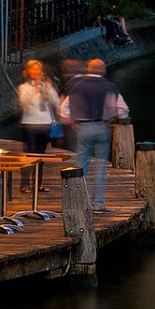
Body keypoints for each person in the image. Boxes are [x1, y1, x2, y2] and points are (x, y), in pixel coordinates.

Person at [61, 58, 129, 213]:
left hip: (83, 127)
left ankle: (80, 202)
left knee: (81, 165)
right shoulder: (109, 86)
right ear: (103, 70)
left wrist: (72, 121)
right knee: (101, 167)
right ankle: (98, 204)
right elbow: (123, 109)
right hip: (102, 127)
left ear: (88, 69)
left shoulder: (77, 86)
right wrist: (114, 120)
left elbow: (63, 109)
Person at [17, 60, 61, 154]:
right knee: (31, 153)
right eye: (33, 69)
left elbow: (55, 101)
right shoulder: (24, 87)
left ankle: (40, 164)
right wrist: (35, 88)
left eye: (38, 69)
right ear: (28, 71)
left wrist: (49, 88)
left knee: (41, 153)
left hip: (45, 124)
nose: (36, 72)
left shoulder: (46, 86)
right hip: (30, 124)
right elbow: (24, 102)